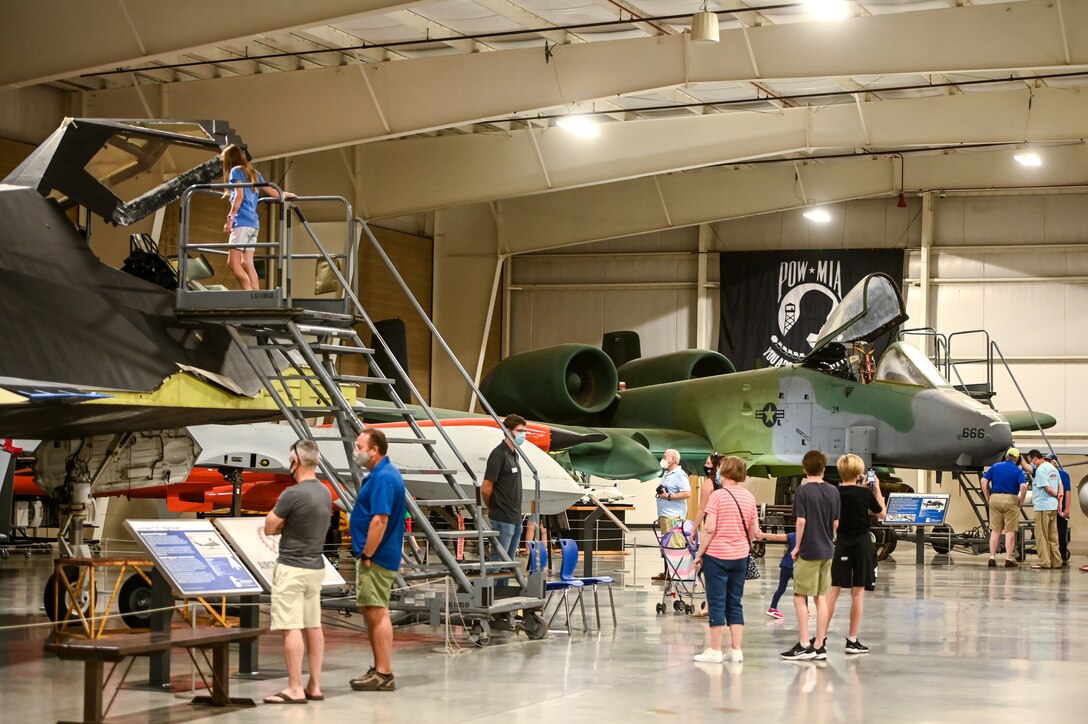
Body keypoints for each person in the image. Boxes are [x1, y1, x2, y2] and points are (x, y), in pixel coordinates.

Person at [262, 439, 332, 704]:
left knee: (290, 626)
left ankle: (294, 688)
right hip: (315, 567)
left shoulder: (292, 494)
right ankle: (315, 685)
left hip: (292, 568)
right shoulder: (325, 492)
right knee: (313, 626)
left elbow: (270, 526)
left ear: (295, 461)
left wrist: (285, 524)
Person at [349, 428, 406, 692]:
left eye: (360, 447)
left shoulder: (383, 477)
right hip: (377, 554)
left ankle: (384, 672)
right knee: (371, 610)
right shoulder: (381, 474)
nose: (356, 451)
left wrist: (368, 554)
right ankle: (379, 668)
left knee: (377, 611)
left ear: (374, 450)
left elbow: (380, 520)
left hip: (377, 556)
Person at [692, 456, 761, 664]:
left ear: (725, 471)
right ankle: (736, 650)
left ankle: (715, 650)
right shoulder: (749, 497)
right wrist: (742, 544)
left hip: (717, 556)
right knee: (735, 602)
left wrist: (699, 554)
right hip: (740, 556)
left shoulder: (718, 496)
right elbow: (754, 531)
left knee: (716, 601)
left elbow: (709, 528)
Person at [780, 450, 839, 661]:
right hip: (827, 549)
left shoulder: (803, 491)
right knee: (820, 597)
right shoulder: (833, 491)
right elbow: (835, 523)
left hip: (809, 550)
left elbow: (801, 521)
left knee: (799, 596)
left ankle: (804, 643)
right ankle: (819, 644)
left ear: (804, 469)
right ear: (823, 469)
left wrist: (797, 546)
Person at [826, 455, 886, 655]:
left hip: (842, 543)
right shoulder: (864, 494)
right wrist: (876, 489)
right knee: (857, 592)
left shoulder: (834, 493)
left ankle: (820, 638)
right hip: (862, 544)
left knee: (833, 589)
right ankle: (852, 639)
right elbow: (882, 514)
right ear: (860, 473)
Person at [220, 143, 295, 291]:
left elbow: (239, 195)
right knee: (247, 263)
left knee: (233, 262)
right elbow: (275, 193)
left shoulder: (235, 171)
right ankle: (256, 295)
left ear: (229, 159)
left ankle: (249, 295)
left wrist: (230, 219)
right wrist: (289, 194)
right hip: (253, 224)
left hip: (241, 221)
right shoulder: (254, 173)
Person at [482, 414, 528, 561]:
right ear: (508, 431)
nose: (523, 434)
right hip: (502, 516)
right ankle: (492, 578)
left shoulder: (514, 454)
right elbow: (486, 488)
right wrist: (493, 506)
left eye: (524, 431)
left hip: (515, 516)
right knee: (498, 559)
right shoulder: (498, 454)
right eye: (519, 431)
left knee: (509, 561)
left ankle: (504, 579)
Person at [981, 447, 1028, 568]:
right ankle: (1008, 558)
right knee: (1009, 531)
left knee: (995, 530)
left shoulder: (995, 466)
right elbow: (1023, 486)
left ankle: (992, 557)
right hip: (1011, 499)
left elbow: (983, 481)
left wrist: (987, 496)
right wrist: (1021, 501)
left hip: (995, 498)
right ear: (1017, 459)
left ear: (1006, 456)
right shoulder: (1018, 470)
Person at [652, 448, 692, 581]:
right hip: (665, 515)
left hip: (673, 516)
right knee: (666, 545)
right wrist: (660, 515)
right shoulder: (667, 473)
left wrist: (668, 496)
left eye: (665, 457)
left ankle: (676, 574)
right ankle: (667, 573)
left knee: (673, 545)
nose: (663, 459)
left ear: (673, 459)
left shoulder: (680, 474)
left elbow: (687, 493)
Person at [1026, 449, 1061, 570]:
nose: (1032, 464)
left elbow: (1047, 488)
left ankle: (1045, 562)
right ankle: (1056, 561)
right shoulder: (1053, 468)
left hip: (1042, 507)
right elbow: (1060, 485)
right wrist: (1058, 498)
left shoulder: (1041, 469)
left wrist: (1055, 495)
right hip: (1052, 506)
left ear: (1035, 458)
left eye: (1031, 461)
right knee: (1053, 536)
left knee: (1041, 535)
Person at [763, 531, 797, 620]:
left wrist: (762, 535)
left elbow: (776, 537)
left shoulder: (792, 535)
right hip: (797, 567)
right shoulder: (808, 539)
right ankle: (805, 611)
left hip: (785, 565)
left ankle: (772, 608)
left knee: (781, 589)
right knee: (801, 591)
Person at [1048, 454, 1072, 566]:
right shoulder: (1045, 472)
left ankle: (1062, 555)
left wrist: (1067, 508)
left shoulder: (1063, 474)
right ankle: (1052, 556)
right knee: (1051, 533)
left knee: (1061, 533)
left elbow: (1067, 491)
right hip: (1049, 507)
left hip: (1059, 507)